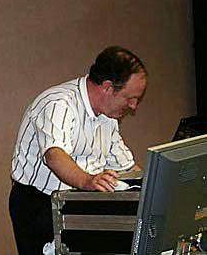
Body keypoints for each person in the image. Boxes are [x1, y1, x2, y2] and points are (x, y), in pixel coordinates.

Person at [9, 45, 147, 254]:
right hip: (40, 204)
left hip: (81, 201)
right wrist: (88, 181)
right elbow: (54, 155)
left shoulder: (108, 117)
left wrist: (151, 190)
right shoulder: (59, 103)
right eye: (130, 98)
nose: (133, 106)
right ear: (108, 87)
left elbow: (128, 167)